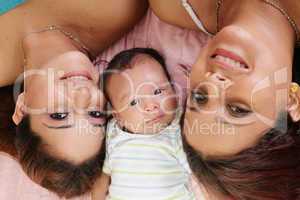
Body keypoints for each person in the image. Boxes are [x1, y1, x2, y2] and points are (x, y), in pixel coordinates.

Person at [147, 0, 300, 199]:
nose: (214, 82)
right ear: (291, 100)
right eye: (237, 109)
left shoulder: (172, 6)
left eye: (200, 97)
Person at [0, 0, 148, 198]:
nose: (82, 94)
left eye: (59, 115)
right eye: (94, 114)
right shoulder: (119, 7)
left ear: (22, 108)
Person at [94, 48, 196, 199]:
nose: (151, 106)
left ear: (173, 89)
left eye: (158, 92)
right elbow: (104, 176)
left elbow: (200, 177)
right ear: (118, 116)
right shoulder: (114, 133)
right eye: (134, 102)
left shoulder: (179, 127)